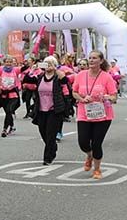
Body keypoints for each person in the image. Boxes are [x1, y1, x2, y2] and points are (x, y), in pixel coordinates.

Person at [72, 50, 118, 179]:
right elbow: (74, 92)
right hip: (84, 113)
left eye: (94, 58)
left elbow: (114, 96)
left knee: (96, 144)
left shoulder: (106, 77)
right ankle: (89, 155)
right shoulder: (81, 75)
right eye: (90, 58)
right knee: (83, 143)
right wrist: (81, 99)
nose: (91, 60)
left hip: (102, 115)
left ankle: (97, 169)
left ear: (101, 61)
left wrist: (107, 97)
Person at [30, 56, 74, 165]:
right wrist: (33, 68)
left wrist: (56, 69)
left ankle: (48, 157)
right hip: (41, 110)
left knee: (50, 134)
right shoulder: (40, 76)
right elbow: (27, 79)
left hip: (54, 110)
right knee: (43, 132)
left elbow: (66, 82)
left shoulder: (57, 76)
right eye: (46, 63)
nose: (48, 65)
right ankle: (53, 147)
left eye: (50, 63)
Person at [0, 55, 21, 136]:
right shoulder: (0, 69)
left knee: (9, 110)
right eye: (7, 62)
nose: (9, 63)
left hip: (13, 95)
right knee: (7, 112)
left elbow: (26, 69)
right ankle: (12, 126)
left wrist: (34, 66)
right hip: (3, 95)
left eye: (10, 62)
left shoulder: (16, 70)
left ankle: (4, 129)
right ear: (4, 62)